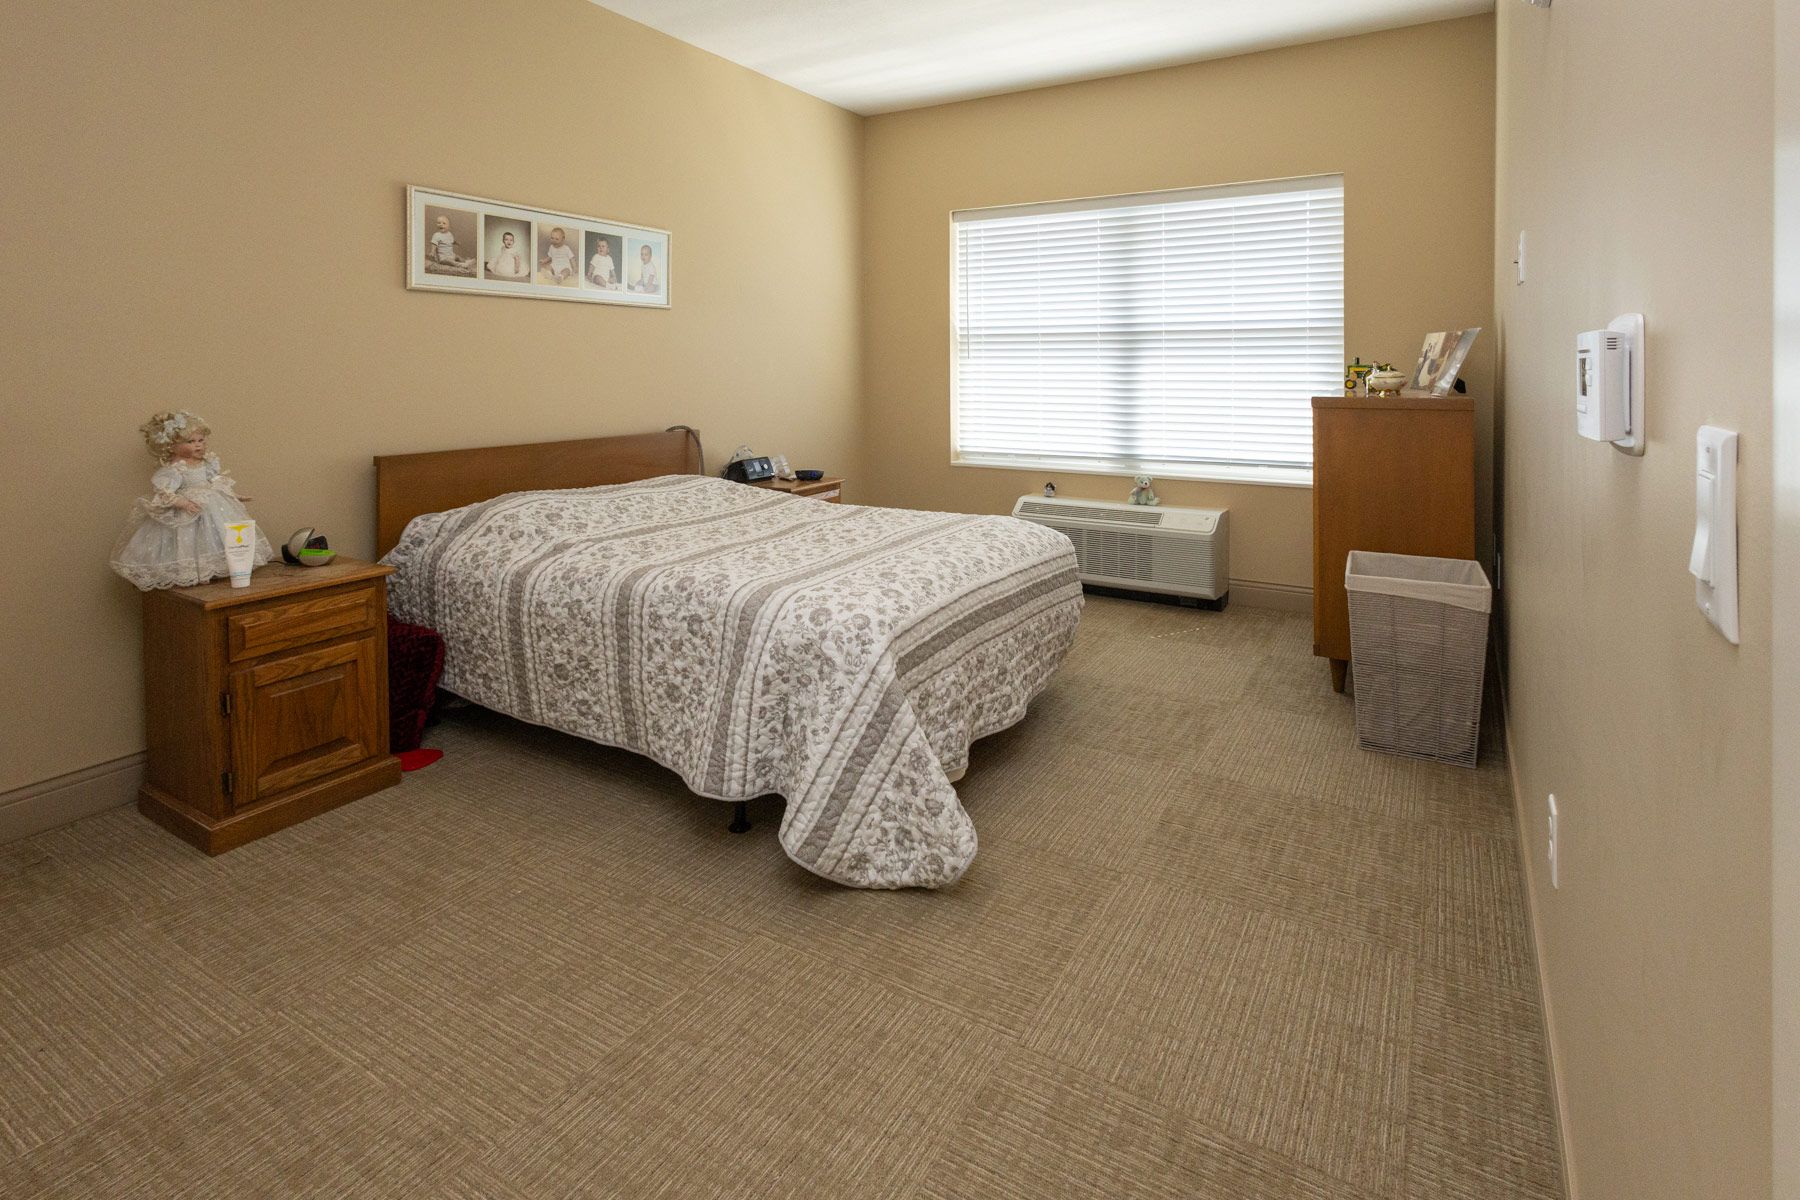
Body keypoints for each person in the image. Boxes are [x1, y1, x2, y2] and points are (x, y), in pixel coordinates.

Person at [109, 411, 274, 590]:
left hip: (213, 505)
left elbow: (216, 482)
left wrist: (233, 496)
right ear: (172, 446)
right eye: (191, 442)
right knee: (188, 539)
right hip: (189, 510)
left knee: (216, 536)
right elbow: (164, 492)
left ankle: (214, 570)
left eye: (201, 440)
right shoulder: (175, 469)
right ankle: (194, 573)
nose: (198, 445)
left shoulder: (207, 463)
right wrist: (181, 502)